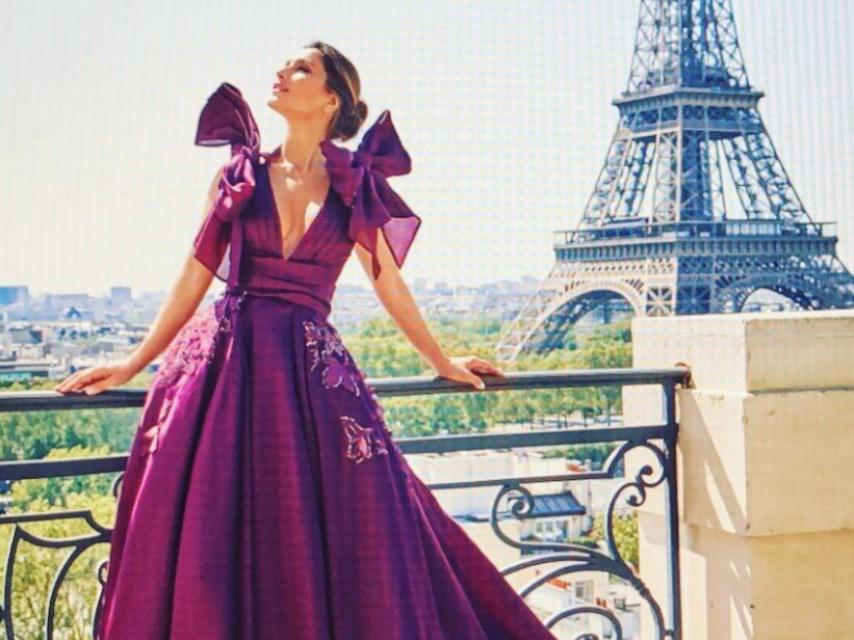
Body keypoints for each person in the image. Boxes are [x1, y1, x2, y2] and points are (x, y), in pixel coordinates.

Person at [56, 41, 558, 639]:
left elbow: (386, 281)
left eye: (300, 68)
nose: (280, 72)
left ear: (330, 98)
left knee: (360, 522)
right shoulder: (238, 173)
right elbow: (195, 273)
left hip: (309, 378)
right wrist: (134, 363)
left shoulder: (355, 182)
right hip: (226, 367)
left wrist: (438, 358)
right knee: (213, 523)